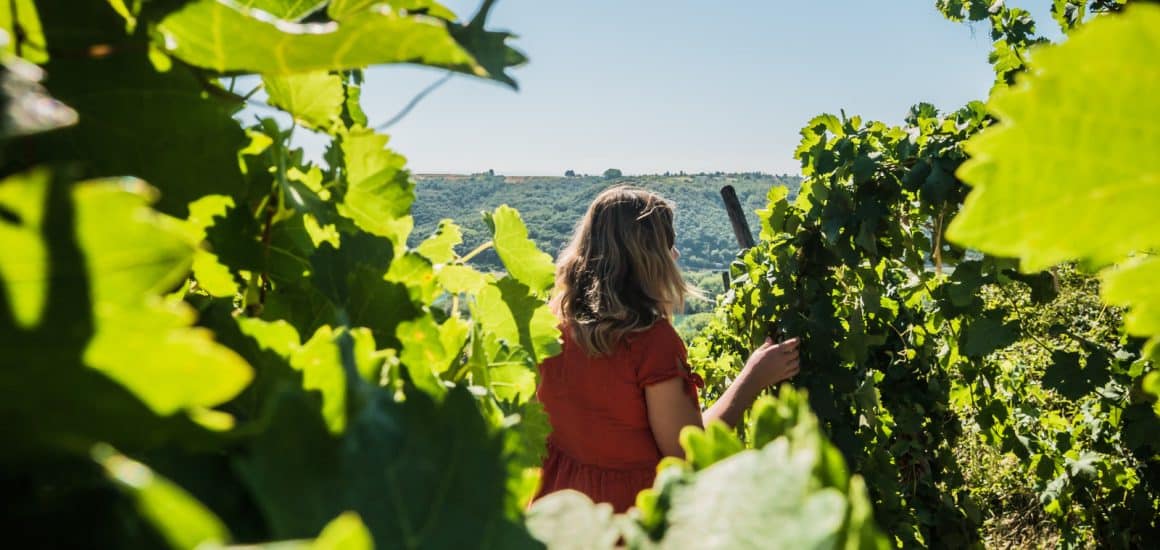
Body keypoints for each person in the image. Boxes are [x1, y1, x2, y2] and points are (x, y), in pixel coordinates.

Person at [532, 185, 801, 512]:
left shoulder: (550, 323)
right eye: (668, 244)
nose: (676, 255)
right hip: (629, 519)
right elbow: (688, 452)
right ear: (648, 257)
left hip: (560, 514)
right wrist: (753, 377)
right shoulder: (649, 342)